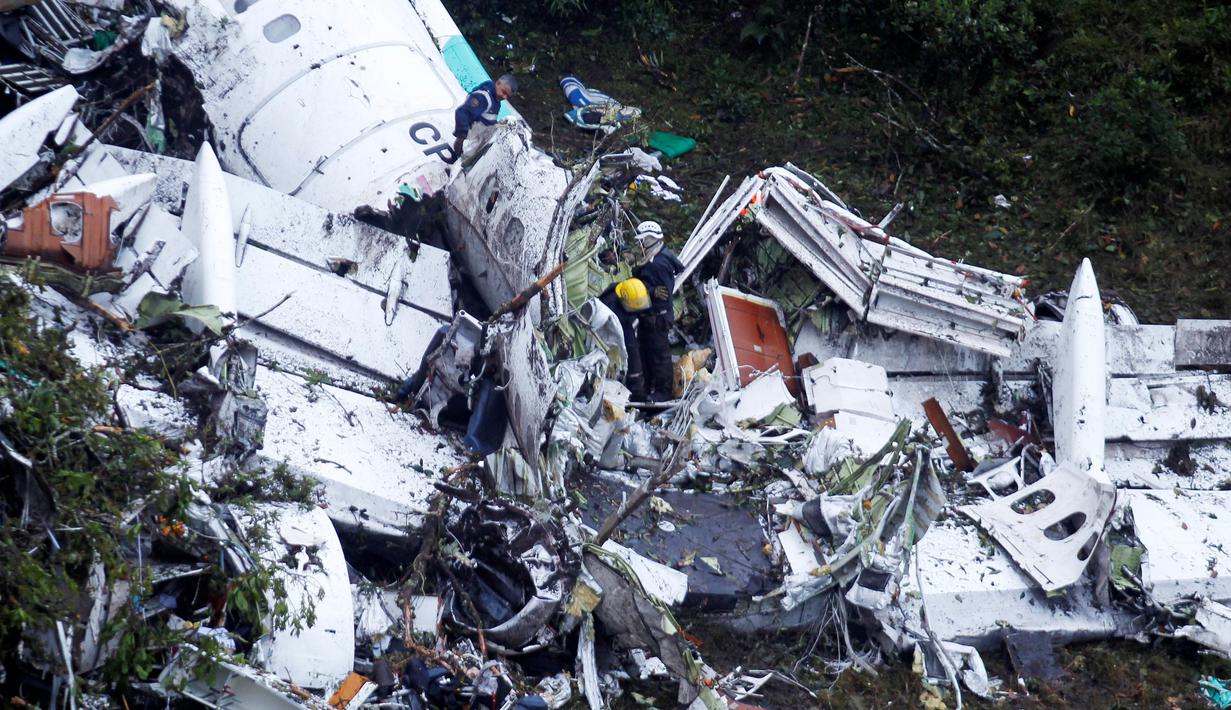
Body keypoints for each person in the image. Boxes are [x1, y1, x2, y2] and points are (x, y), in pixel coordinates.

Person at [631, 221, 684, 402]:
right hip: (648, 317)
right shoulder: (653, 258)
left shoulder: (659, 264)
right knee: (645, 355)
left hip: (657, 318)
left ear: (650, 239)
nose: (640, 244)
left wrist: (650, 291)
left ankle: (663, 392)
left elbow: (663, 294)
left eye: (642, 240)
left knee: (659, 356)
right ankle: (647, 389)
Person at [598, 277, 651, 401]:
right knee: (630, 352)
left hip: (623, 321)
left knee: (633, 350)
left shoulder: (630, 291)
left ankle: (636, 388)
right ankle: (631, 391)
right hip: (608, 332)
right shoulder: (610, 306)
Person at [452, 74, 518, 160]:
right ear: (498, 83)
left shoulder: (496, 98)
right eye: (504, 92)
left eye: (507, 96)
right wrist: (460, 138)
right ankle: (466, 158)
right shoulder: (484, 97)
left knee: (506, 125)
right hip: (473, 133)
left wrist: (503, 125)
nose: (504, 97)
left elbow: (491, 121)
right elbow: (462, 113)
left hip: (486, 128)